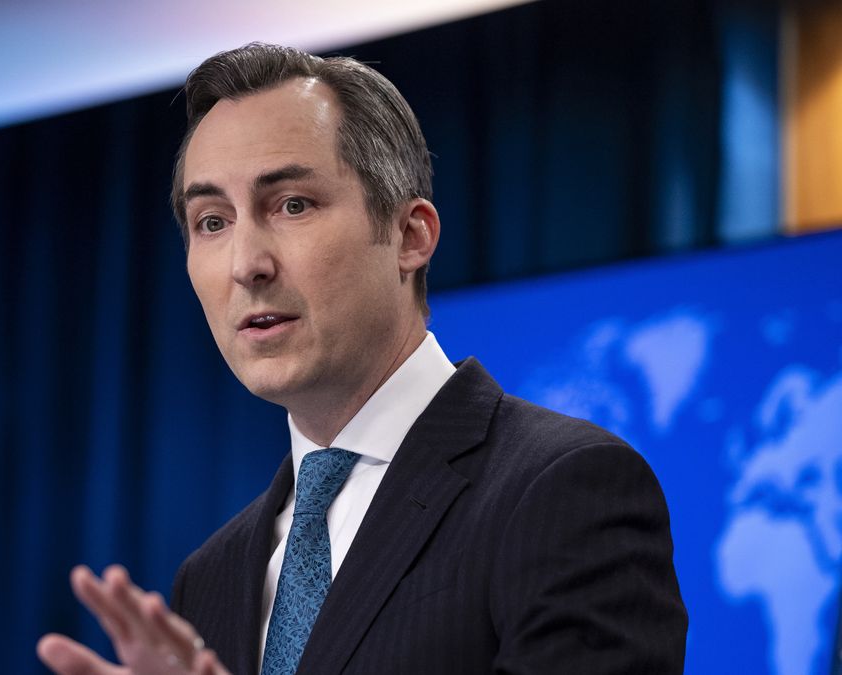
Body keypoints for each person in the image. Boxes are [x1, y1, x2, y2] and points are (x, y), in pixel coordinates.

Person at [38, 43, 687, 675]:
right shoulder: (209, 577)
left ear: (411, 236)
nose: (246, 264)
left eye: (292, 205)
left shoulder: (562, 489)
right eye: (212, 221)